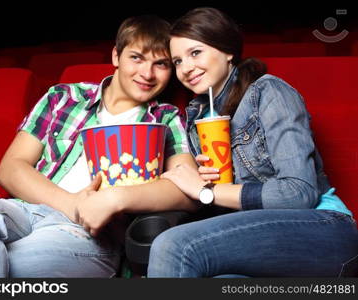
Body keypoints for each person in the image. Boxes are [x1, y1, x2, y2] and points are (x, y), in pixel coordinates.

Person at [0, 15, 198, 278]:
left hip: (89, 233)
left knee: (3, 260)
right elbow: (9, 169)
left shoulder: (165, 118)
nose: (147, 73)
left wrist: (113, 199)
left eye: (161, 64)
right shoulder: (63, 97)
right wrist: (73, 204)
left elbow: (187, 191)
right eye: (137, 58)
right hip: (26, 210)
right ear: (116, 56)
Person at [147, 7, 358, 277]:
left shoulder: (270, 91)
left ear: (227, 51)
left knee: (173, 245)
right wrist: (206, 181)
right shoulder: (197, 114)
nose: (186, 68)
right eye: (177, 61)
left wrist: (206, 191)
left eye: (195, 52)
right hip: (257, 232)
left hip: (324, 227)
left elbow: (298, 193)